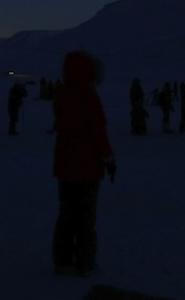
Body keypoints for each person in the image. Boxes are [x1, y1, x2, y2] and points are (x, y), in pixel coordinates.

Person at [52, 50, 115, 277]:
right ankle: (85, 264)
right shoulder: (89, 95)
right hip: (87, 168)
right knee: (86, 218)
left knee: (66, 216)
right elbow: (98, 131)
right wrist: (109, 158)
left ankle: (62, 262)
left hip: (65, 165)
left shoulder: (60, 93)